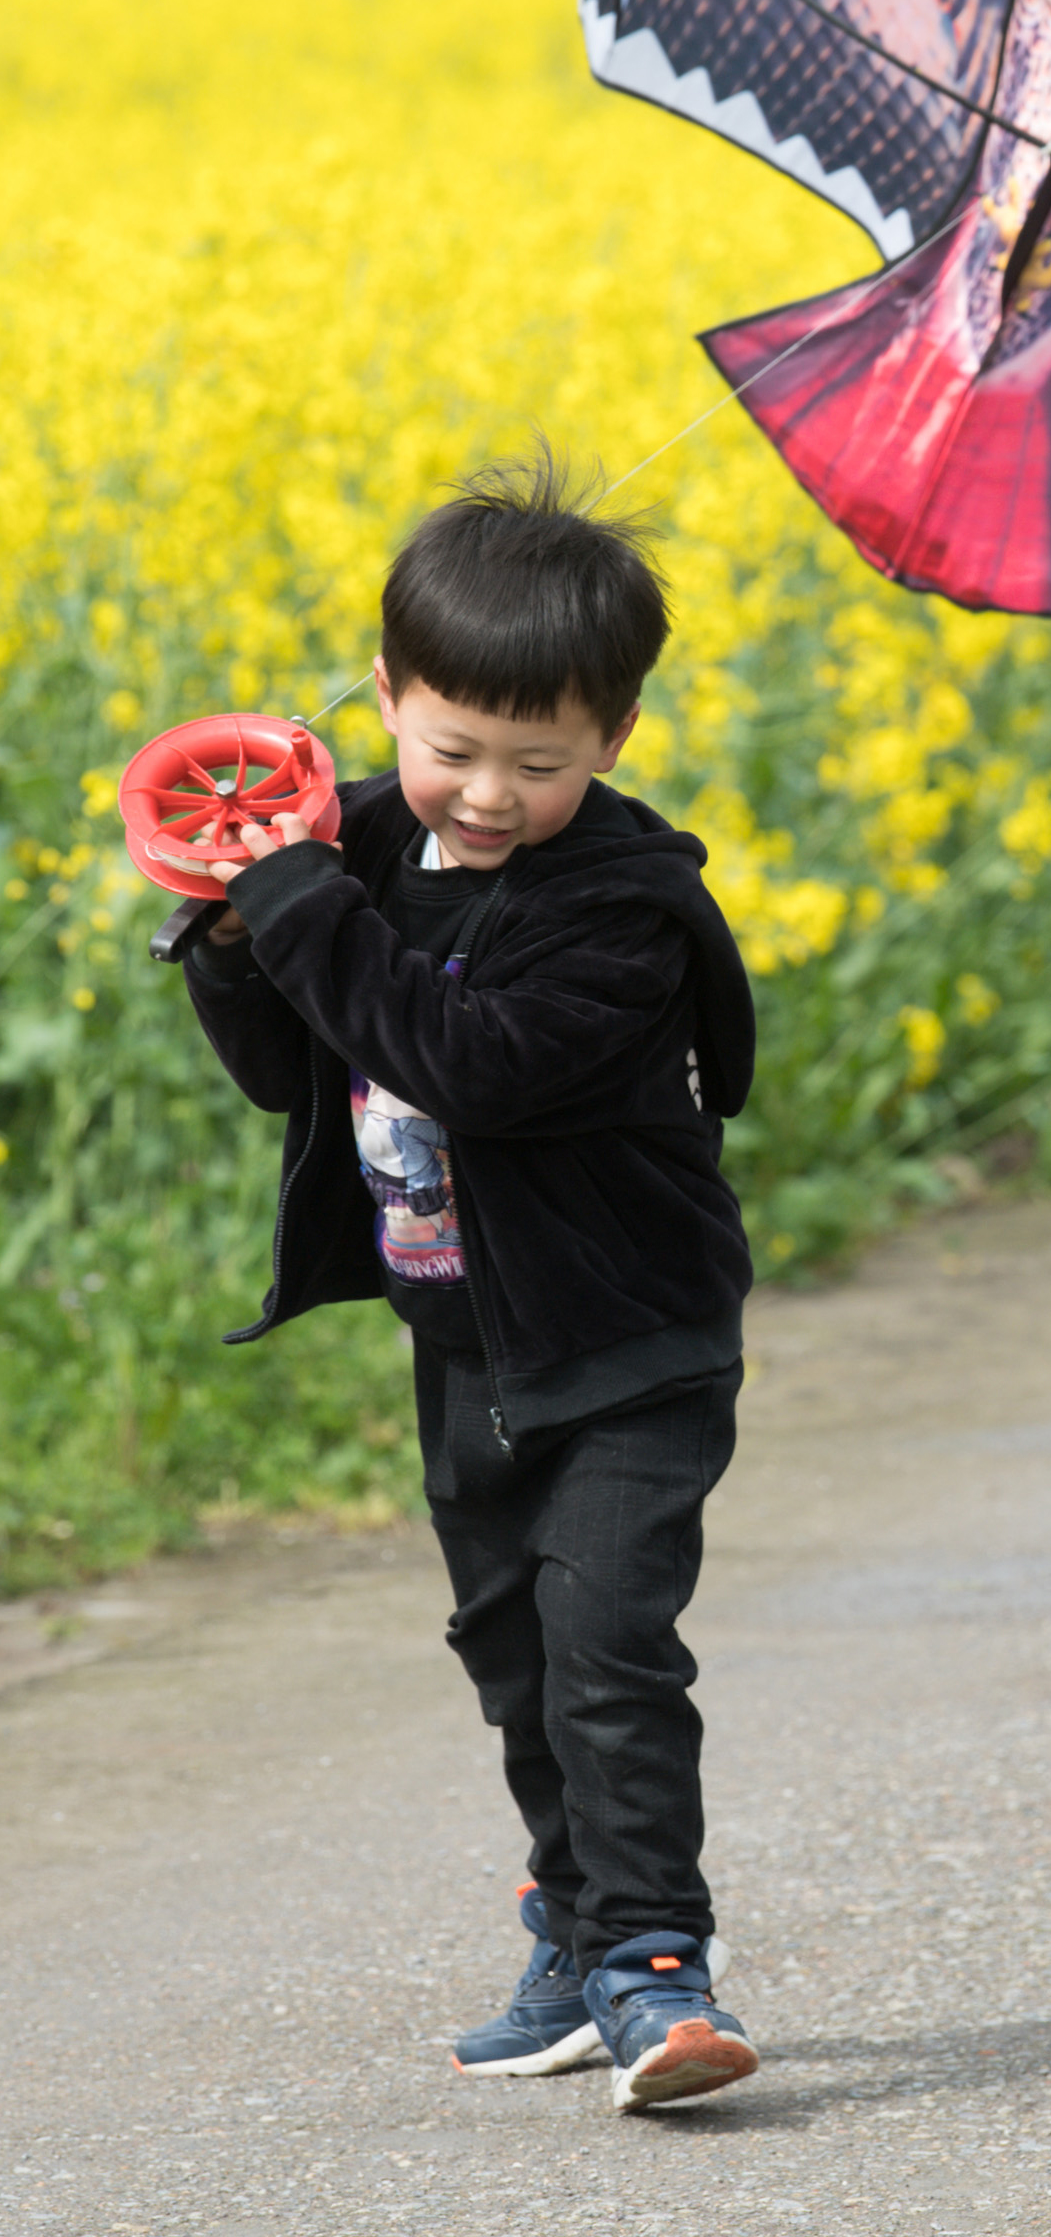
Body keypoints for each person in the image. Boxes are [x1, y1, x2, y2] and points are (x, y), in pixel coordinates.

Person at [177, 450, 759, 2113]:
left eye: (539, 762)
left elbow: (465, 1063)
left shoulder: (626, 913)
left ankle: (656, 1963)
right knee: (509, 1651)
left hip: (632, 1334)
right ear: (386, 697)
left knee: (608, 1643)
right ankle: (570, 1929)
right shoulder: (351, 844)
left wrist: (295, 902)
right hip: (466, 1336)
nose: (488, 796)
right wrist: (237, 940)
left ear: (616, 742)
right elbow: (295, 1069)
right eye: (451, 752)